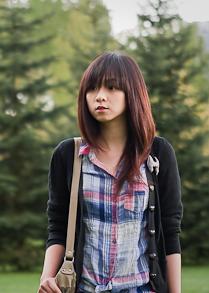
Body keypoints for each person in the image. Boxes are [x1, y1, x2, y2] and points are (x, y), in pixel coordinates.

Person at [37, 51, 183, 293]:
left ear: (132, 93)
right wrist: (46, 277)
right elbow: (58, 226)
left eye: (112, 87)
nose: (100, 97)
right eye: (92, 88)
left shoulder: (158, 153)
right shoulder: (69, 155)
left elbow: (170, 232)